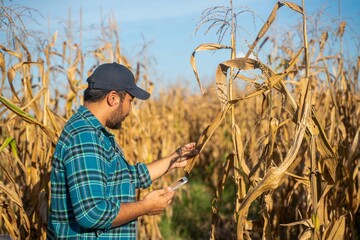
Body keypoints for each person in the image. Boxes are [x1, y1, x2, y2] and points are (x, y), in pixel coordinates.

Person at [47, 62, 197, 239]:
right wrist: (145, 207)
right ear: (113, 98)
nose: (129, 110)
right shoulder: (85, 136)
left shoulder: (95, 133)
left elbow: (126, 177)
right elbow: (91, 213)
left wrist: (174, 159)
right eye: (130, 101)